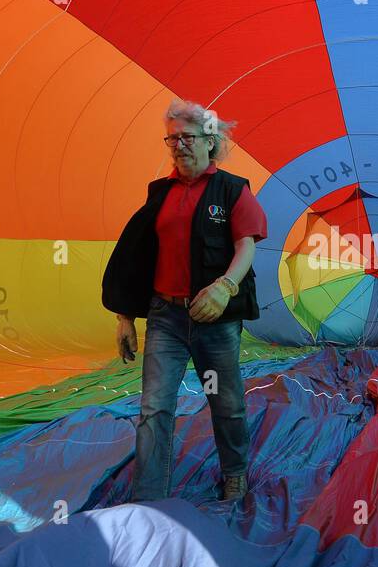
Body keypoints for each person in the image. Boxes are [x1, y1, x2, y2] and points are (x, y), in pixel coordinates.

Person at [101, 99, 267, 503]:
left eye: (187, 137)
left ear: (209, 141)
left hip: (216, 321)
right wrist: (126, 317)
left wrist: (224, 287)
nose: (179, 146)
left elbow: (246, 246)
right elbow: (136, 258)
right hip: (165, 318)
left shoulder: (232, 191)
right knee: (154, 407)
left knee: (226, 403)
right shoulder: (160, 195)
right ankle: (148, 496)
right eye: (172, 138)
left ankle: (235, 475)